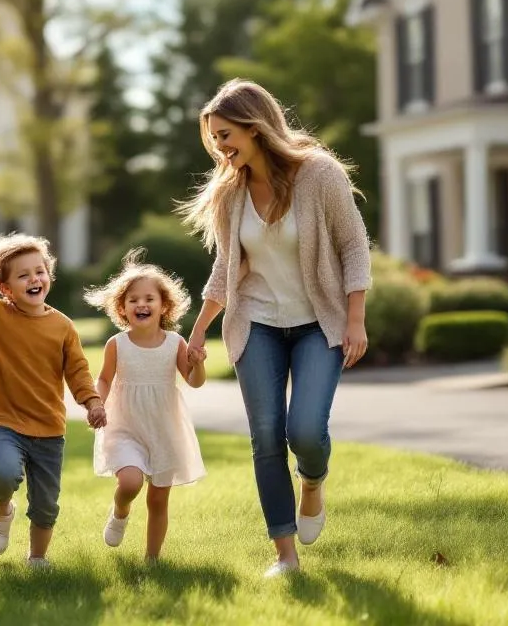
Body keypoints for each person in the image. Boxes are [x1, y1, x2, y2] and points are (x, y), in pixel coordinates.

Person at [180, 78, 371, 578]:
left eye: (225, 135)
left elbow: (354, 245)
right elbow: (227, 266)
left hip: (317, 324)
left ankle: (313, 478)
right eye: (214, 138)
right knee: (266, 437)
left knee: (305, 431)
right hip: (256, 324)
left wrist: (355, 319)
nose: (220, 147)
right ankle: (285, 555)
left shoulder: (319, 174)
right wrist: (198, 331)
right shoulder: (230, 192)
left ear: (255, 126)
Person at [0, 232, 106, 569]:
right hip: (3, 420)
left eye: (39, 271)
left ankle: (37, 559)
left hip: (48, 427)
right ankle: (3, 511)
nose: (34, 279)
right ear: (5, 287)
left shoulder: (63, 327)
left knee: (45, 504)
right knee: (3, 474)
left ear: (48, 275)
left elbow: (78, 371)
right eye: (23, 275)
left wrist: (93, 402)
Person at [83, 248, 207, 563]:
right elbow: (104, 379)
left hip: (164, 429)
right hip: (126, 426)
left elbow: (194, 381)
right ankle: (120, 510)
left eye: (149, 298)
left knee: (158, 500)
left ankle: (152, 559)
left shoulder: (175, 343)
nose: (141, 304)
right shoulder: (117, 344)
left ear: (164, 305)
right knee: (130, 481)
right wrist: (96, 404)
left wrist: (198, 364)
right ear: (122, 308)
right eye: (133, 300)